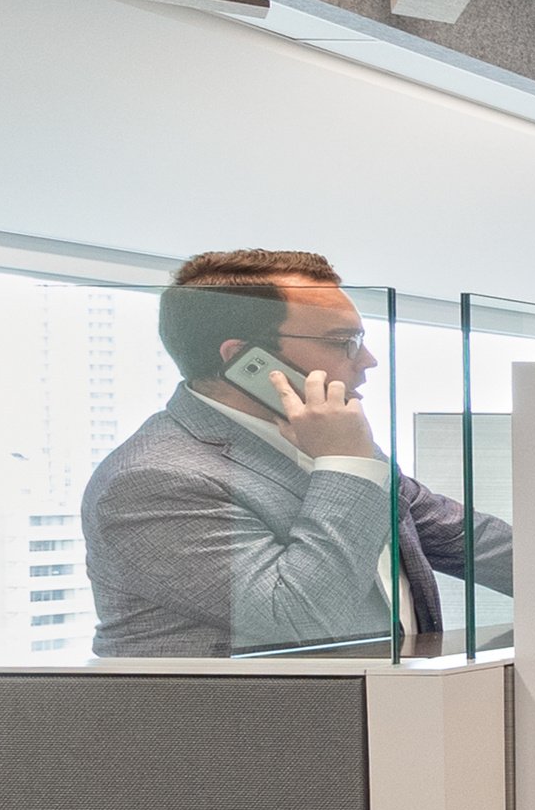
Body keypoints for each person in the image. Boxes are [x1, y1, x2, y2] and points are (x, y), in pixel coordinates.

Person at [85, 249, 511, 657]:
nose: (368, 360)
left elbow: (472, 542)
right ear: (244, 359)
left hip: (389, 714)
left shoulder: (329, 442)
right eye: (343, 341)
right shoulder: (152, 480)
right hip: (263, 728)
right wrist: (346, 464)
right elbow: (303, 616)